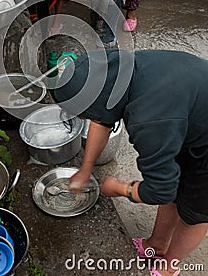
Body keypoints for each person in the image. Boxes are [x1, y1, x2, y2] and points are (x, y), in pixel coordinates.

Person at [53, 48, 208, 276]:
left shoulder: (148, 121)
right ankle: (156, 245)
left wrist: (119, 188)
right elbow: (102, 119)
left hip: (191, 130)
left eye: (84, 115)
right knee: (176, 185)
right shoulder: (116, 73)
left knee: (195, 212)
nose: (87, 119)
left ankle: (169, 266)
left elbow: (160, 190)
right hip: (189, 118)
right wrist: (86, 169)